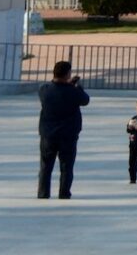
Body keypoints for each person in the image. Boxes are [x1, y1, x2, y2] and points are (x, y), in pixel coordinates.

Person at [36, 61, 89, 199]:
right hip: (68, 134)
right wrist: (76, 86)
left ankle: (43, 193)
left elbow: (52, 87)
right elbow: (85, 100)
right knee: (66, 167)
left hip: (48, 134)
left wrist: (67, 84)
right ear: (68, 74)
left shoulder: (44, 90)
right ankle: (64, 193)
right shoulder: (73, 92)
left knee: (45, 166)